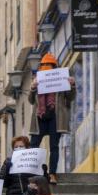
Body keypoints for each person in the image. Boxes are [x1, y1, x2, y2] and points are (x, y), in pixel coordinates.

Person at [29, 53, 76, 185]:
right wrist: (33, 88)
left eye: (49, 65)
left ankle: (52, 173)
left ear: (55, 67)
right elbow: (31, 100)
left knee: (54, 146)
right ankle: (32, 172)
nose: (46, 68)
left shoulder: (61, 79)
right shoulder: (36, 79)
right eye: (44, 66)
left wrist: (72, 85)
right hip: (40, 117)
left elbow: (70, 98)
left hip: (56, 117)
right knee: (34, 146)